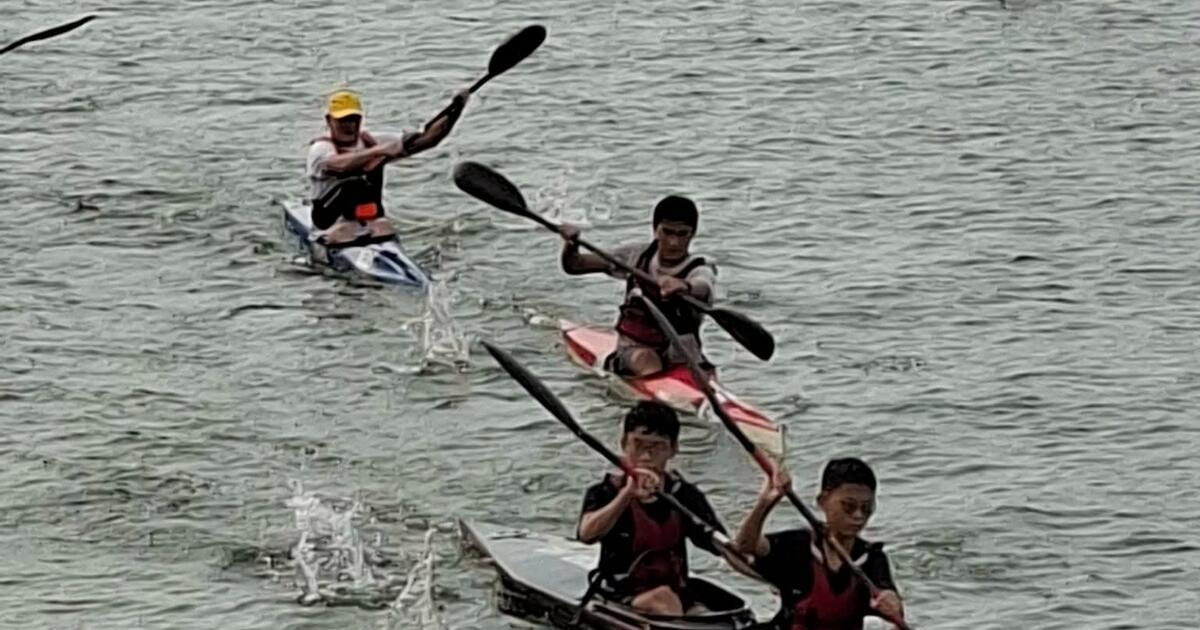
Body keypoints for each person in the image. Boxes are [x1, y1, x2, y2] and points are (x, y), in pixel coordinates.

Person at [577, 401, 724, 615]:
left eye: (657, 447)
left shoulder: (683, 495)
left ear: (673, 449)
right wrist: (626, 495)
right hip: (619, 594)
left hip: (676, 593)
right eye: (638, 445)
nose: (646, 457)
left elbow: (721, 546)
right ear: (624, 444)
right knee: (663, 599)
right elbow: (586, 534)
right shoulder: (605, 492)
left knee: (705, 613)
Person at [734, 458, 906, 629]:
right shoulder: (799, 546)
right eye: (849, 506)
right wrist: (767, 501)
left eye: (866, 508)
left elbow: (887, 594)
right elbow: (746, 545)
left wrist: (892, 602)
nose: (858, 516)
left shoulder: (871, 559)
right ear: (822, 501)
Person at [560, 195, 716, 377]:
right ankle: (650, 387)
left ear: (693, 234)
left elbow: (702, 286)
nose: (674, 242)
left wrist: (684, 286)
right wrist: (571, 245)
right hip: (635, 350)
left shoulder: (699, 269)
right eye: (667, 232)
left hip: (683, 356)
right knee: (646, 359)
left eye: (682, 234)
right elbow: (575, 265)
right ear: (655, 230)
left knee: (700, 368)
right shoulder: (636, 256)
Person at [305, 88, 469, 245]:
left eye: (354, 119)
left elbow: (428, 140)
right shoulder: (321, 149)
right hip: (328, 221)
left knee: (372, 175)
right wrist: (380, 151)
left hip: (371, 220)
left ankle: (371, 229)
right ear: (329, 120)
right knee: (353, 184)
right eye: (343, 120)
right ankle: (344, 232)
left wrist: (455, 110)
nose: (350, 125)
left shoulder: (371, 140)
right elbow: (340, 165)